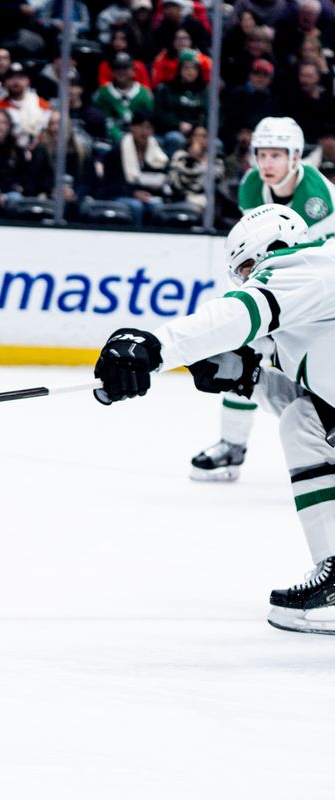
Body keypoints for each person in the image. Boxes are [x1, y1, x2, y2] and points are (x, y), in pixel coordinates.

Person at [92, 204, 335, 634]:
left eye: (248, 267)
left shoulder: (306, 265)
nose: (248, 279)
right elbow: (313, 404)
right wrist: (249, 378)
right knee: (303, 420)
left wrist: (153, 348)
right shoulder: (308, 323)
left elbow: (237, 314)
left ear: (275, 248)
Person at [189, 117, 335, 480]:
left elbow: (317, 267)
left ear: (296, 156)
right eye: (262, 154)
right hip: (290, 289)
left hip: (322, 296)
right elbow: (257, 250)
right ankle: (232, 445)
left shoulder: (319, 199)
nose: (267, 163)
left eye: (276, 155)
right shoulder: (252, 186)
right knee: (241, 350)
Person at [93, 53, 155, 144]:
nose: (121, 72)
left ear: (133, 70)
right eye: (117, 68)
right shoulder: (102, 93)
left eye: (125, 68)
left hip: (139, 140)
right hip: (109, 140)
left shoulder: (144, 94)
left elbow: (148, 121)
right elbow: (101, 119)